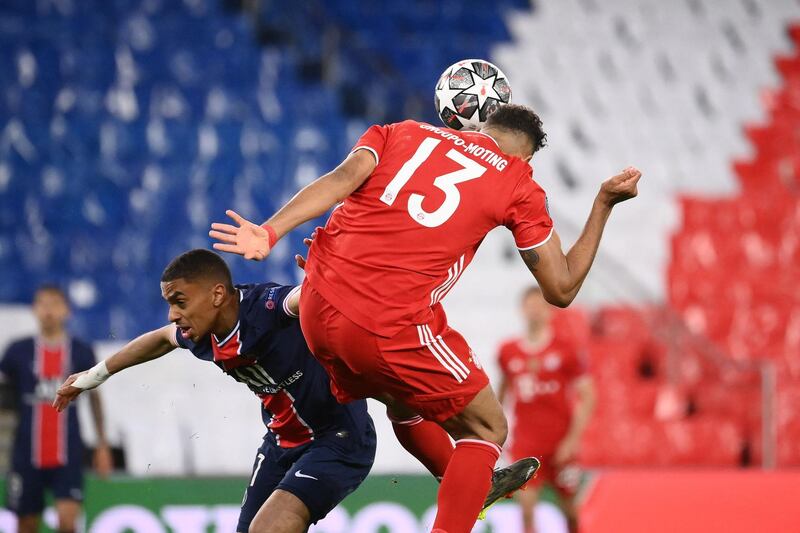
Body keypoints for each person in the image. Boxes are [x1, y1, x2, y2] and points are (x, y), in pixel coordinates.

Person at [209, 103, 642, 533]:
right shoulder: (517, 179)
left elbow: (341, 180)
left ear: (481, 124)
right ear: (526, 156)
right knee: (488, 427)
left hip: (316, 303)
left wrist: (269, 231)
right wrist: (604, 203)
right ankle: (469, 483)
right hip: (385, 321)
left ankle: (464, 477)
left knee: (401, 394)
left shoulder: (404, 131)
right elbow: (561, 288)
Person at [52, 249, 376, 533]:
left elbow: (299, 299)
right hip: (281, 442)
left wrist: (328, 283)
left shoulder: (266, 308)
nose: (172, 314)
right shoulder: (202, 333)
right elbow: (160, 339)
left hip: (338, 438)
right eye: (169, 304)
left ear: (217, 295)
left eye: (180, 302)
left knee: (268, 527)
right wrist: (95, 375)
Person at [0, 285, 112, 533]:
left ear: (66, 311)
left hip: (68, 454)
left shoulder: (81, 352)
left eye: (54, 304)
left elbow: (95, 398)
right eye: (43, 304)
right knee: (26, 525)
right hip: (25, 454)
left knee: (68, 523)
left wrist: (102, 444)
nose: (48, 310)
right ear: (35, 309)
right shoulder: (17, 351)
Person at [497, 286, 596, 533]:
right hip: (526, 445)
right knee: (527, 510)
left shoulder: (566, 349)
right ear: (522, 310)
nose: (534, 312)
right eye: (530, 306)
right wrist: (498, 430)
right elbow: (501, 393)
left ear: (549, 311)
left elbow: (589, 395)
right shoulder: (508, 352)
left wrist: (572, 440)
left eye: (539, 306)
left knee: (570, 513)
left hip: (560, 445)